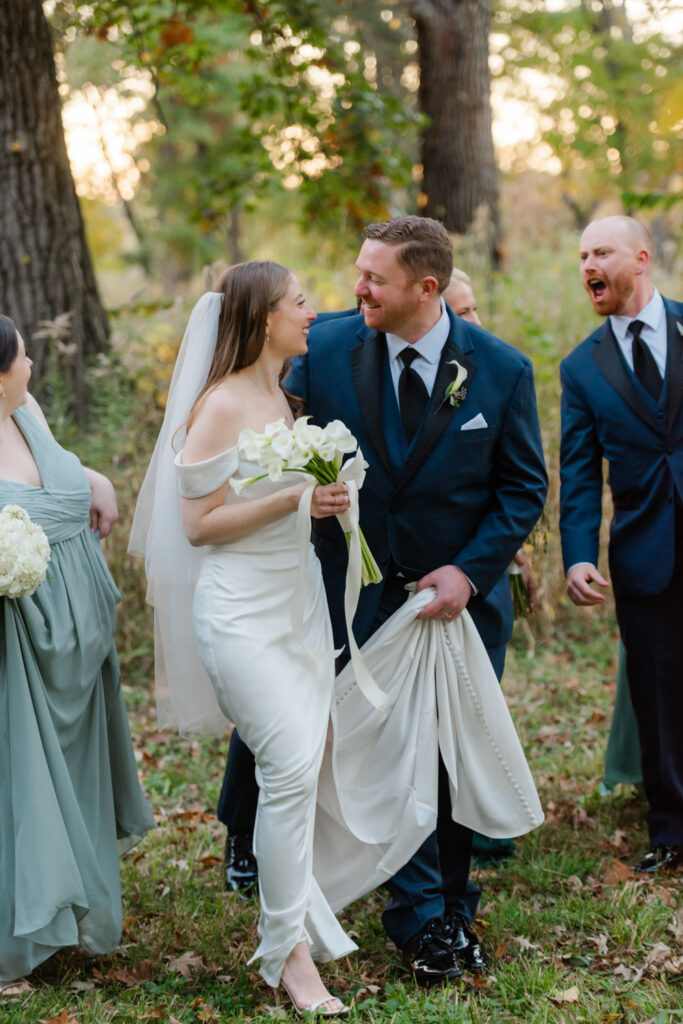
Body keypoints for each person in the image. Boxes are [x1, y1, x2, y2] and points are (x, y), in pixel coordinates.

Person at [219, 218, 548, 983]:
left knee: (445, 756)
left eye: (374, 278)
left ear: (425, 289)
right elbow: (254, 420)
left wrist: (470, 571)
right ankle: (395, 903)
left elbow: (522, 486)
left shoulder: (499, 370)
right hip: (346, 598)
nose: (356, 287)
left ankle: (441, 916)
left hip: (452, 603)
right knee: (353, 751)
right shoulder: (325, 349)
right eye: (357, 271)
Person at [0, 314, 154, 987]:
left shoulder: (24, 407)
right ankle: (13, 939)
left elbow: (52, 461)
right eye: (24, 357)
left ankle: (68, 911)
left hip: (75, 637)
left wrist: (97, 480)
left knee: (69, 773)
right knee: (16, 775)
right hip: (18, 641)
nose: (32, 365)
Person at [559, 215, 682, 873]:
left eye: (599, 252)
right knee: (656, 691)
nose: (587, 266)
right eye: (581, 256)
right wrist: (577, 554)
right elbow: (577, 473)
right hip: (643, 553)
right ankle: (669, 829)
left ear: (639, 258)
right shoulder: (581, 367)